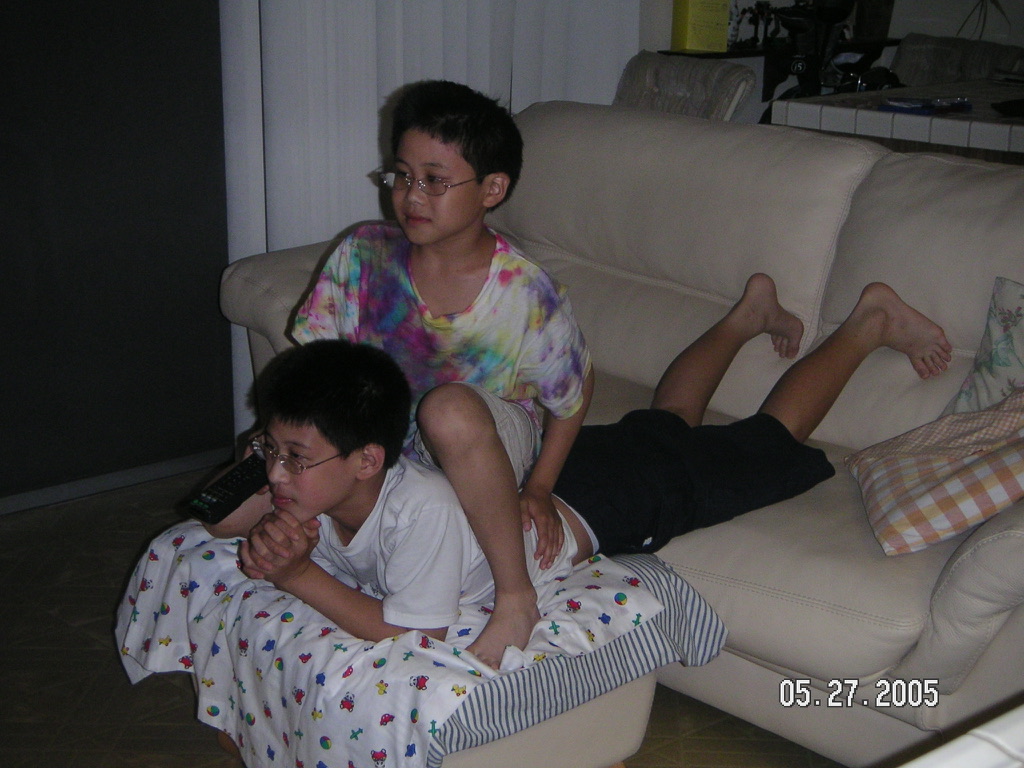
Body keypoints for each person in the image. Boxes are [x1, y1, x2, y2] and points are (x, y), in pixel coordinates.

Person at [289, 80, 594, 665]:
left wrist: (539, 486)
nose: (411, 196)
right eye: (402, 176)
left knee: (447, 410)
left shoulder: (525, 292)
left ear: (492, 189)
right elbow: (316, 373)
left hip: (485, 436)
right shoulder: (363, 255)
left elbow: (575, 393)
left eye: (434, 180)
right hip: (385, 446)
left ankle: (515, 598)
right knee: (232, 508)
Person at [547, 273, 953, 560]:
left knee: (768, 445)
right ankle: (751, 315)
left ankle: (874, 322)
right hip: (561, 470)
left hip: (602, 504)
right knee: (662, 429)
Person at [233, 338, 588, 644]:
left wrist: (296, 575)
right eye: (270, 449)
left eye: (296, 457)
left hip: (571, 516)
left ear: (367, 462)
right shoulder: (314, 498)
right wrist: (279, 549)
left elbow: (418, 634)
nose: (275, 474)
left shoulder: (421, 508)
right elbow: (223, 523)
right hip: (506, 491)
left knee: (621, 458)